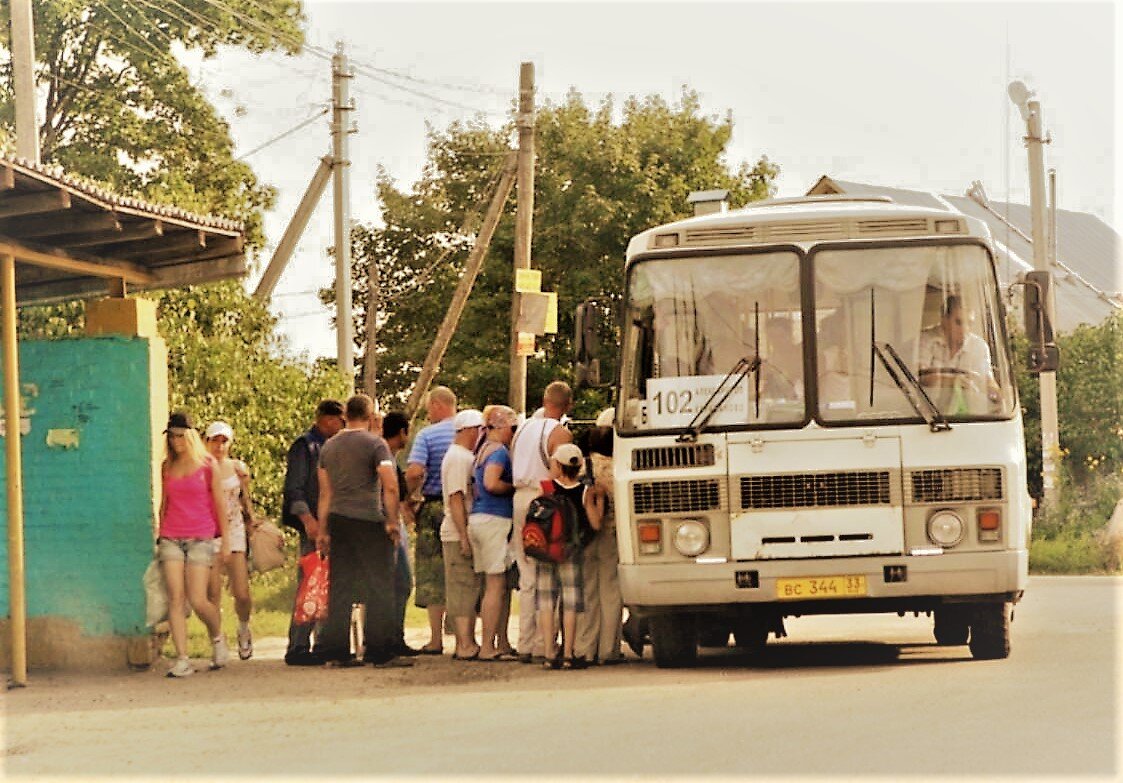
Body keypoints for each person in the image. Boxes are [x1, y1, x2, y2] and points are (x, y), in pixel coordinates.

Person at [316, 393, 409, 668]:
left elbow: (325, 492)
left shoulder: (329, 447)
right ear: (371, 416)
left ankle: (336, 651)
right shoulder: (376, 444)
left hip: (338, 519)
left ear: (345, 415)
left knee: (341, 585)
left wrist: (323, 530)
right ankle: (379, 650)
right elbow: (390, 486)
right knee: (379, 584)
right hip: (368, 519)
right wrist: (391, 521)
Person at [156, 411, 230, 678]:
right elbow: (165, 502)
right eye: (172, 436)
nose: (175, 442)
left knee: (199, 599)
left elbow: (220, 505)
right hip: (171, 537)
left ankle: (218, 637)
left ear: (190, 436)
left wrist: (225, 542)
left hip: (201, 536)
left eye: (180, 436)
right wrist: (159, 530)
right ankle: (182, 658)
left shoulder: (208, 464)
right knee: (176, 599)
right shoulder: (167, 466)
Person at [510, 381, 574, 664]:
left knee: (526, 571)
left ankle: (525, 640)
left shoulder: (521, 428)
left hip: (519, 497)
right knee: (547, 573)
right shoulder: (559, 432)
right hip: (543, 499)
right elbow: (557, 471)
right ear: (567, 405)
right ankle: (543, 641)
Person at [281, 399, 345, 666]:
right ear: (328, 420)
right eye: (340, 421)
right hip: (313, 526)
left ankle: (323, 643)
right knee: (310, 583)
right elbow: (294, 488)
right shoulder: (305, 446)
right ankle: (298, 645)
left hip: (331, 524)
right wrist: (307, 520)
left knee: (328, 585)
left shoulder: (332, 446)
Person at [538, 443, 604, 670]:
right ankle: (568, 653)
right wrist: (600, 503)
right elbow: (595, 524)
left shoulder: (546, 488)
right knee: (570, 603)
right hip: (570, 551)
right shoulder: (584, 491)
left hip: (546, 551)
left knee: (547, 603)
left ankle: (548, 652)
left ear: (557, 464)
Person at [404, 386, 456, 654]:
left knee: (432, 572)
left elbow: (414, 471)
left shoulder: (427, 435)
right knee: (462, 569)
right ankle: (466, 636)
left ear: (437, 405)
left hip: (434, 506)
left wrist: (409, 497)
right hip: (466, 506)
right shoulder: (471, 432)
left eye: (428, 408)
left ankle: (436, 639)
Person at [203, 421, 260, 661]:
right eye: (215, 440)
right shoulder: (200, 468)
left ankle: (244, 627)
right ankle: (217, 640)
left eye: (224, 441)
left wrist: (252, 521)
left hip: (234, 530)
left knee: (242, 592)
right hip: (208, 531)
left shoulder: (236, 467)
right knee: (213, 593)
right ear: (206, 442)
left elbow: (245, 501)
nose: (219, 445)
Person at [468, 405, 520, 662]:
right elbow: (490, 483)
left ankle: (500, 641)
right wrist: (514, 487)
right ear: (501, 427)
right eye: (512, 428)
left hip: (478, 518)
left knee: (492, 584)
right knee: (495, 585)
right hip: (494, 519)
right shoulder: (498, 452)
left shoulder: (481, 450)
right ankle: (489, 645)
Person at [574, 409, 625, 665]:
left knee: (587, 592)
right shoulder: (618, 469)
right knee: (611, 590)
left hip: (582, 535)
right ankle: (609, 648)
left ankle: (585, 646)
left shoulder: (580, 465)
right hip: (609, 532)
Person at [440, 409, 485, 660]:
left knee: (468, 585)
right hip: (457, 531)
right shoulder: (459, 457)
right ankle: (464, 643)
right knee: (462, 586)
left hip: (461, 529)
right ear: (470, 430)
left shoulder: (463, 455)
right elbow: (456, 497)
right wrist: (464, 535)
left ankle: (467, 640)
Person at [381, 410, 422, 657]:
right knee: (400, 581)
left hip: (393, 521)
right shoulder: (385, 457)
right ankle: (391, 637)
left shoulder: (388, 457)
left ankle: (394, 636)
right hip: (391, 523)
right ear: (402, 433)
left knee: (399, 582)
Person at [916, 295, 1000, 412]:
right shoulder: (924, 340)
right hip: (924, 414)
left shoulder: (979, 346)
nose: (965, 329)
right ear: (944, 319)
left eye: (969, 323)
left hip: (966, 416)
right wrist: (954, 381)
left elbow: (987, 379)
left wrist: (997, 394)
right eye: (959, 322)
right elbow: (918, 378)